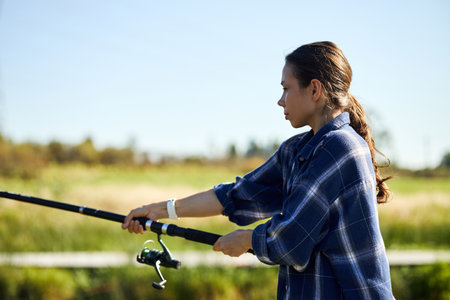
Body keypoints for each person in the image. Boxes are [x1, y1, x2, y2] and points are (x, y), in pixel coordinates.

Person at [122, 41, 394, 299]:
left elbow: (291, 238)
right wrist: (160, 210)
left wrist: (247, 239)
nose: (280, 100)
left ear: (314, 90)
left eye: (286, 88)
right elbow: (237, 196)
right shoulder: (296, 150)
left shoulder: (342, 148)